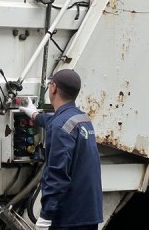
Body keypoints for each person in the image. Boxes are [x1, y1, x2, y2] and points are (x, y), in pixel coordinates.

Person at [19, 69, 103, 230]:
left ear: (53, 88)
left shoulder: (60, 126)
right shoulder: (82, 119)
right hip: (89, 213)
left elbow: (57, 174)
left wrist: (45, 216)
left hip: (69, 217)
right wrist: (34, 115)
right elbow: (55, 121)